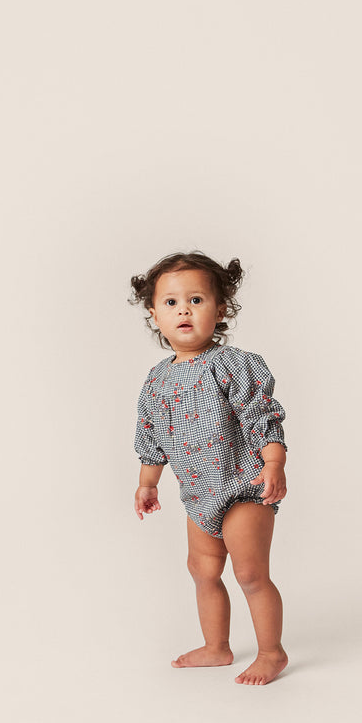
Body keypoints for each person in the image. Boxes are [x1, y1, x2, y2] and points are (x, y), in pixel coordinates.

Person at [129, 250, 289, 686]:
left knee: (250, 573)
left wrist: (274, 462)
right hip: (198, 496)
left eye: (196, 300)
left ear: (220, 311)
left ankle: (272, 652)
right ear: (154, 315)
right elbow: (151, 436)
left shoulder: (231, 365)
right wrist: (148, 484)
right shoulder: (157, 380)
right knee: (202, 571)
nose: (184, 310)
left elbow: (261, 416)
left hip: (244, 487)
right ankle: (217, 646)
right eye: (171, 302)